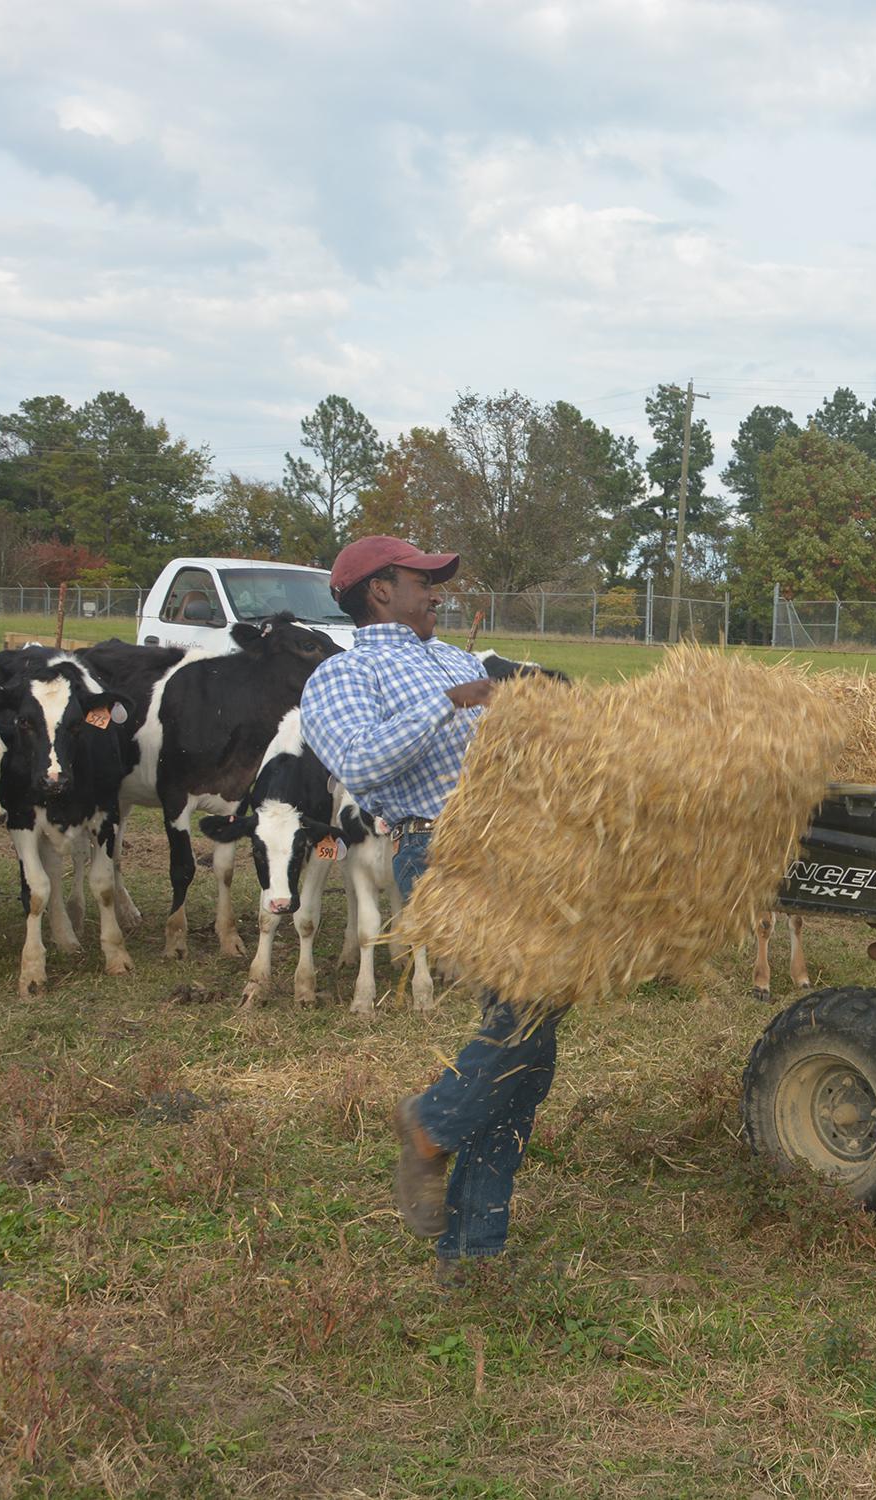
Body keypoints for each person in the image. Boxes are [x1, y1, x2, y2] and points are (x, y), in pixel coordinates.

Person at [298, 535, 564, 1283]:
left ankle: (471, 1251)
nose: (439, 590)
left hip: (522, 847)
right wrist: (452, 705)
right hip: (439, 851)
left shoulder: (459, 658)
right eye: (423, 579)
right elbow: (362, 762)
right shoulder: (341, 675)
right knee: (530, 1013)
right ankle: (430, 1125)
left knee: (528, 1036)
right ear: (378, 590)